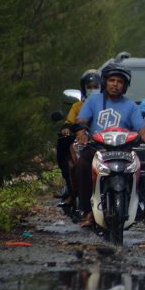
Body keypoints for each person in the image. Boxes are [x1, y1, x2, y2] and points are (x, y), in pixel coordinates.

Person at [74, 61, 145, 228]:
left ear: (124, 86)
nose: (115, 85)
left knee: (143, 168)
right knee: (81, 165)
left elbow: (141, 128)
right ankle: (87, 210)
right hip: (97, 148)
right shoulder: (93, 101)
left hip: (124, 150)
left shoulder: (131, 106)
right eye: (112, 80)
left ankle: (139, 206)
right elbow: (82, 121)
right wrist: (81, 133)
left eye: (120, 82)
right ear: (105, 82)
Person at [56, 70, 101, 207]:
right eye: (89, 87)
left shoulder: (107, 105)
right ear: (84, 89)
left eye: (96, 87)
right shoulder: (77, 106)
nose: (93, 90)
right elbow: (69, 122)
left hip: (105, 142)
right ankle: (72, 192)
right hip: (82, 142)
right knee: (73, 163)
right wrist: (68, 128)